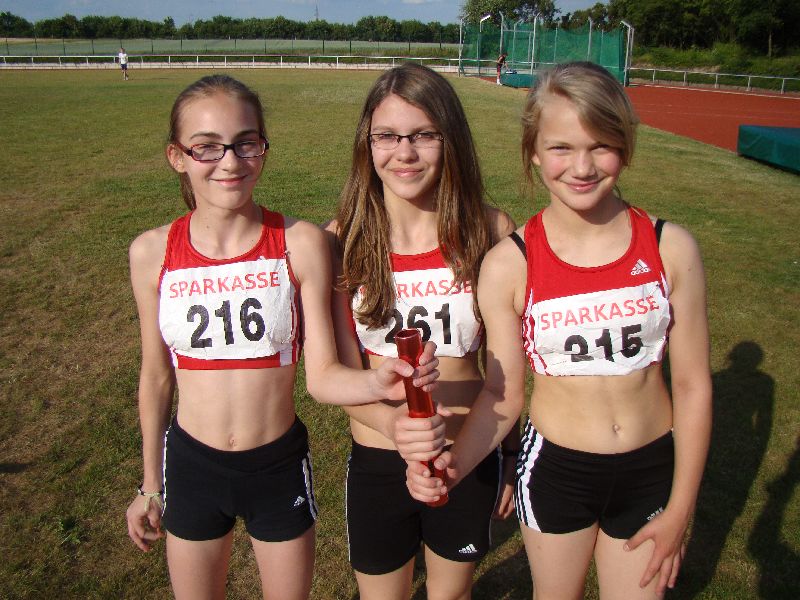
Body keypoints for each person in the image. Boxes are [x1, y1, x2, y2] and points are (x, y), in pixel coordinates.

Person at [124, 74, 439, 600]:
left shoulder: (302, 243)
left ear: (263, 149)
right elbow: (156, 377)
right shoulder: (150, 252)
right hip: (192, 464)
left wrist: (377, 380)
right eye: (207, 147)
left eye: (246, 143)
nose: (230, 161)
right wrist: (151, 484)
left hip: (276, 465)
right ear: (177, 156)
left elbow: (324, 373)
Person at [406, 61, 712, 599]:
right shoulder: (510, 264)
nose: (582, 166)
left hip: (649, 468)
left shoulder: (670, 247)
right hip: (556, 471)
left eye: (602, 145)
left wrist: (681, 508)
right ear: (533, 151)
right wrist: (451, 468)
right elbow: (502, 391)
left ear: (625, 146)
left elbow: (691, 386)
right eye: (561, 148)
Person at [324, 63, 518, 600]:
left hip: (465, 452)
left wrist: (507, 455)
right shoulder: (342, 240)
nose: (404, 153)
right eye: (387, 136)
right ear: (367, 143)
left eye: (423, 135)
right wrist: (394, 427)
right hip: (378, 455)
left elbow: (508, 370)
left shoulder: (489, 231)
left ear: (450, 138)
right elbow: (339, 373)